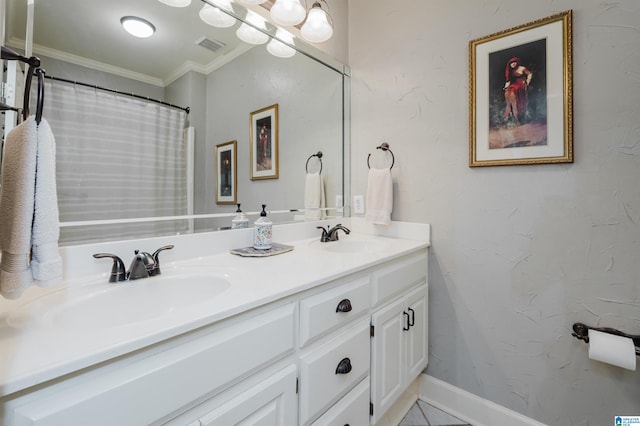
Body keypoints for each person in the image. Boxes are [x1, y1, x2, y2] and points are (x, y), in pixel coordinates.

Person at [503, 57, 532, 125]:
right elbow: (508, 81)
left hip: (521, 84)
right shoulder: (510, 70)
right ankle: (508, 111)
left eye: (514, 62)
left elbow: (530, 74)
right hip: (514, 84)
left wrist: (527, 82)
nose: (513, 64)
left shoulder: (522, 68)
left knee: (513, 92)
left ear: (517, 62)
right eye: (511, 63)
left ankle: (516, 117)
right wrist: (505, 87)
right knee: (507, 92)